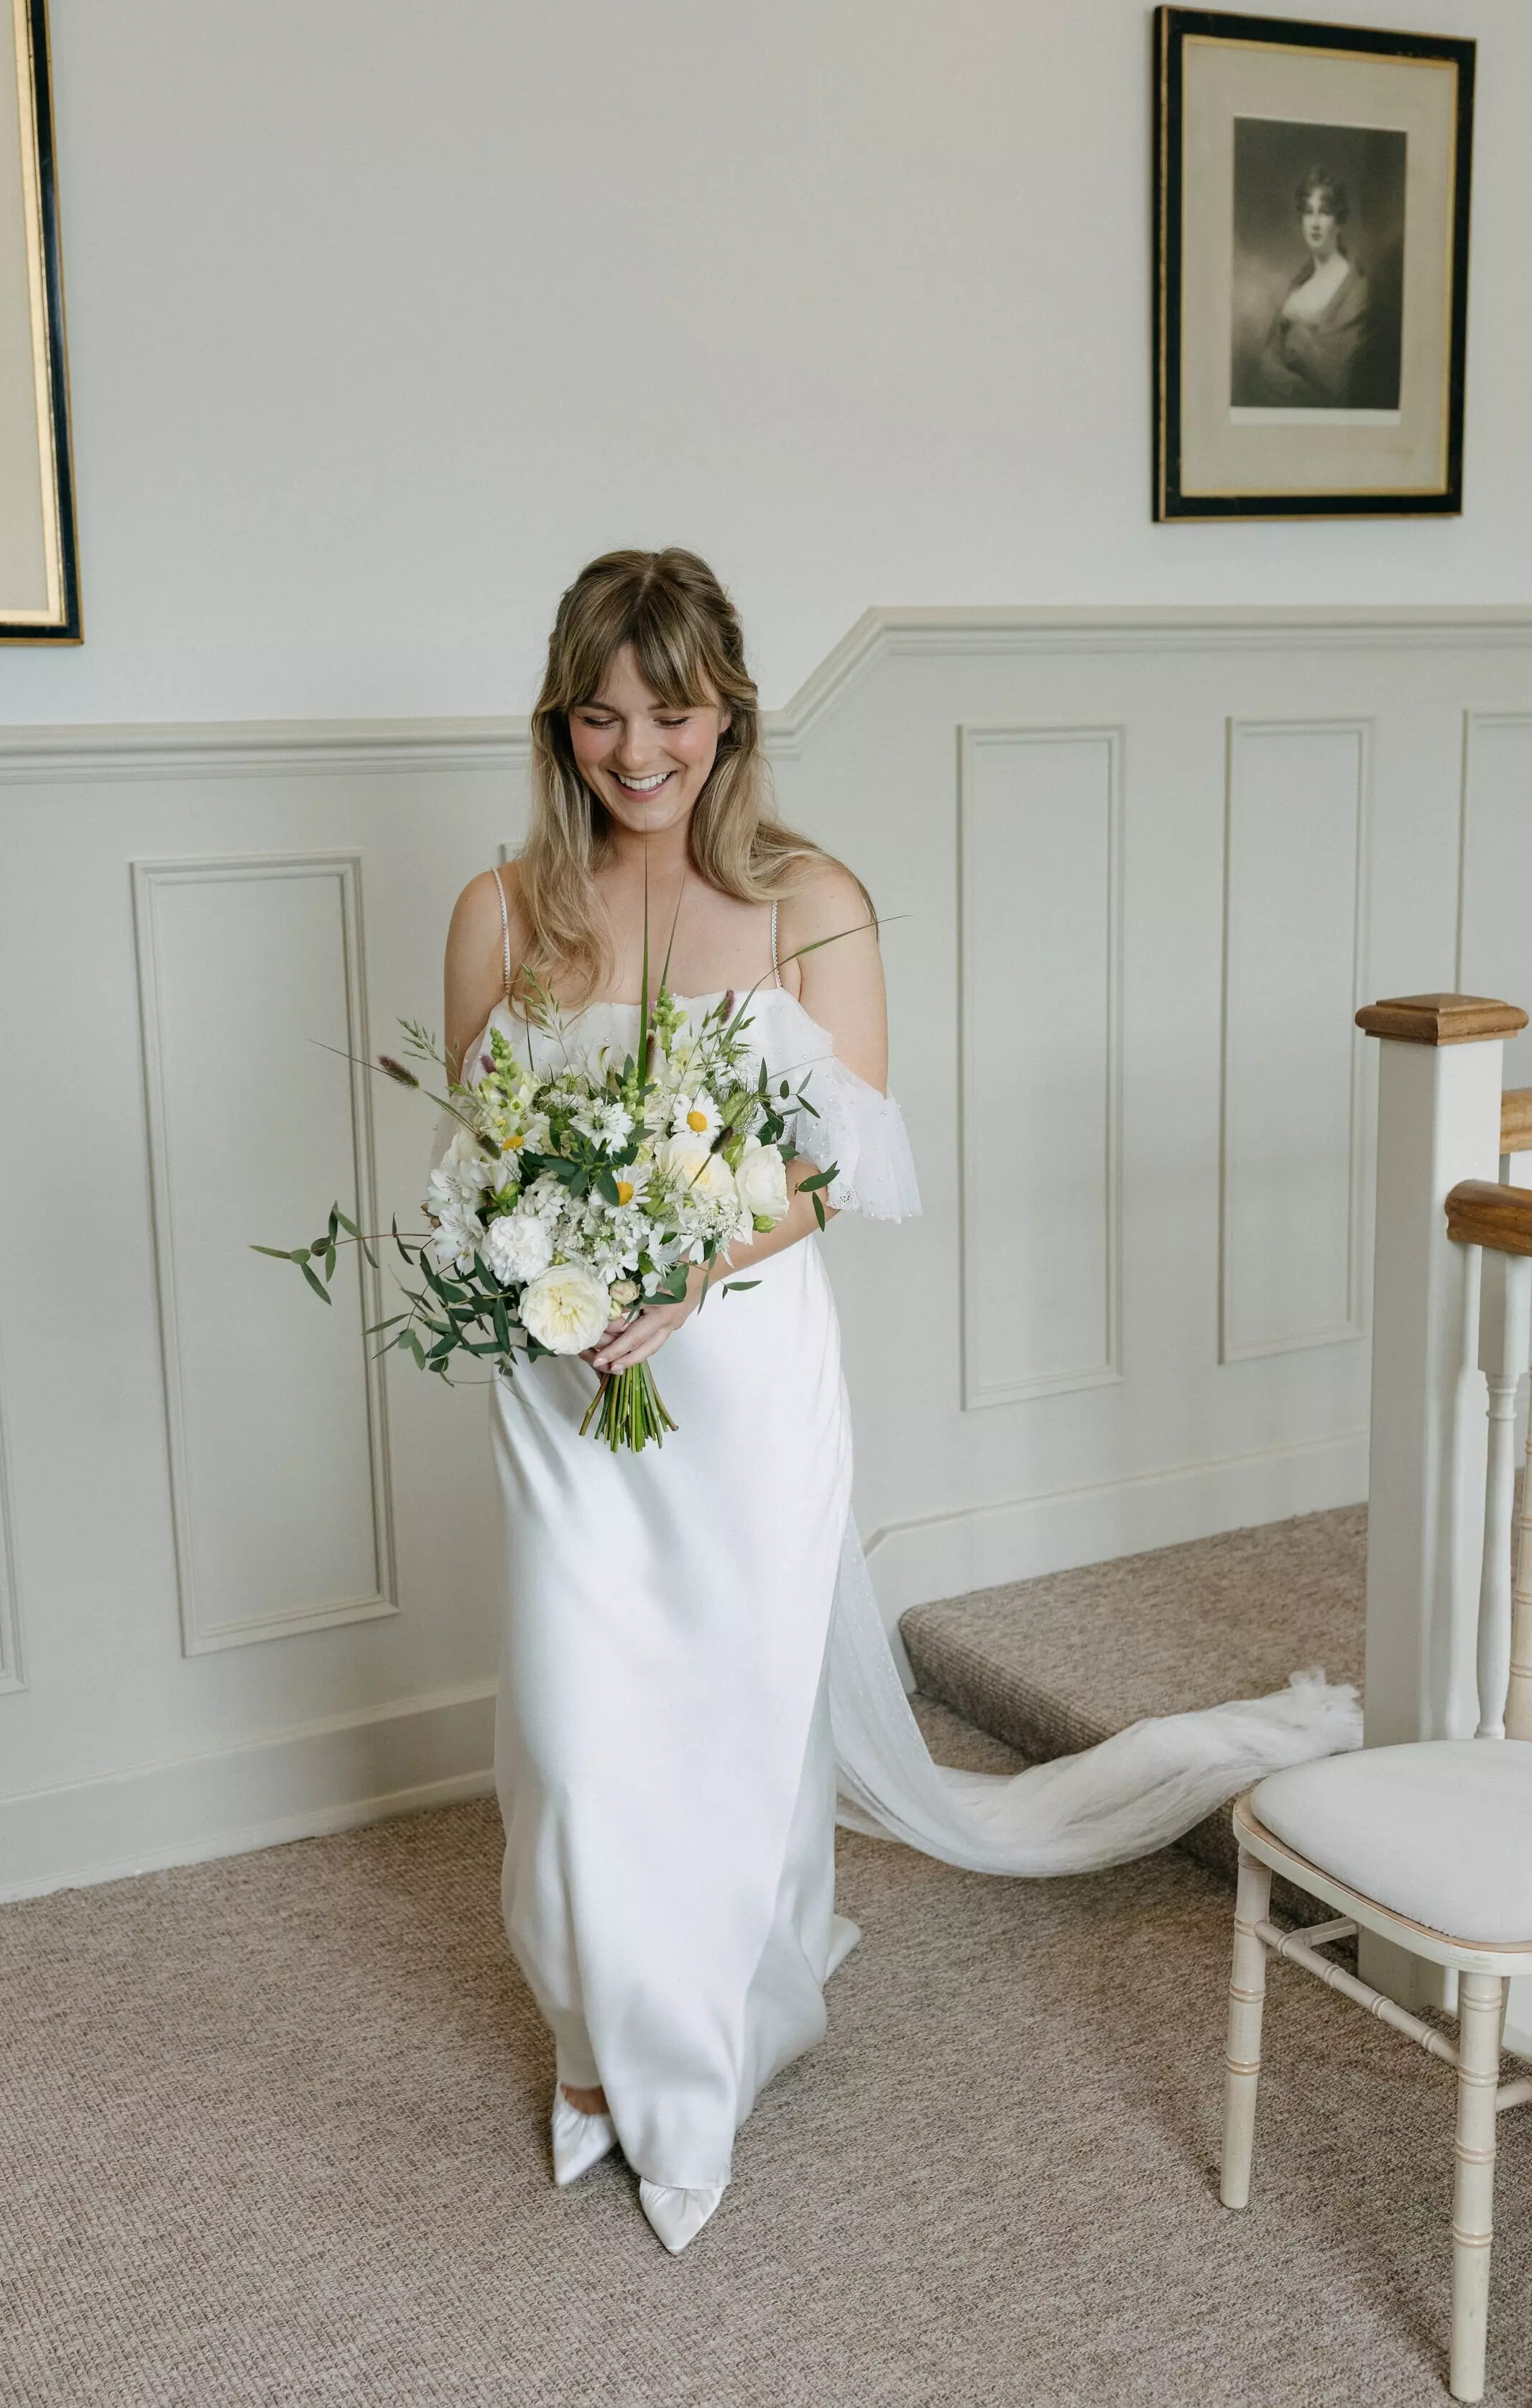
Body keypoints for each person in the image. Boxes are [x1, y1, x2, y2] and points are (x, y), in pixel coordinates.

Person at [443, 548, 1358, 2256]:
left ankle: (712, 2029)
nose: (636, 751)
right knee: (572, 1738)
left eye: (672, 712)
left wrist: (682, 1261)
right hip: (561, 1378)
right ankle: (595, 2032)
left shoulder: (813, 901)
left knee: (735, 1722)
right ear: (558, 722)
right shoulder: (501, 910)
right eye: (599, 715)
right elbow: (485, 1147)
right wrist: (558, 1277)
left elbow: (835, 1169)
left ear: (732, 711)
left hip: (735, 1362)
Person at [1254, 166, 1373, 408]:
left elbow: (1341, 382)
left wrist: (1297, 336)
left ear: (1339, 221)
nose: (1316, 223)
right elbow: (1267, 363)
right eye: (1309, 213)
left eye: (1325, 212)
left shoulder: (1358, 290)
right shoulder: (1297, 286)